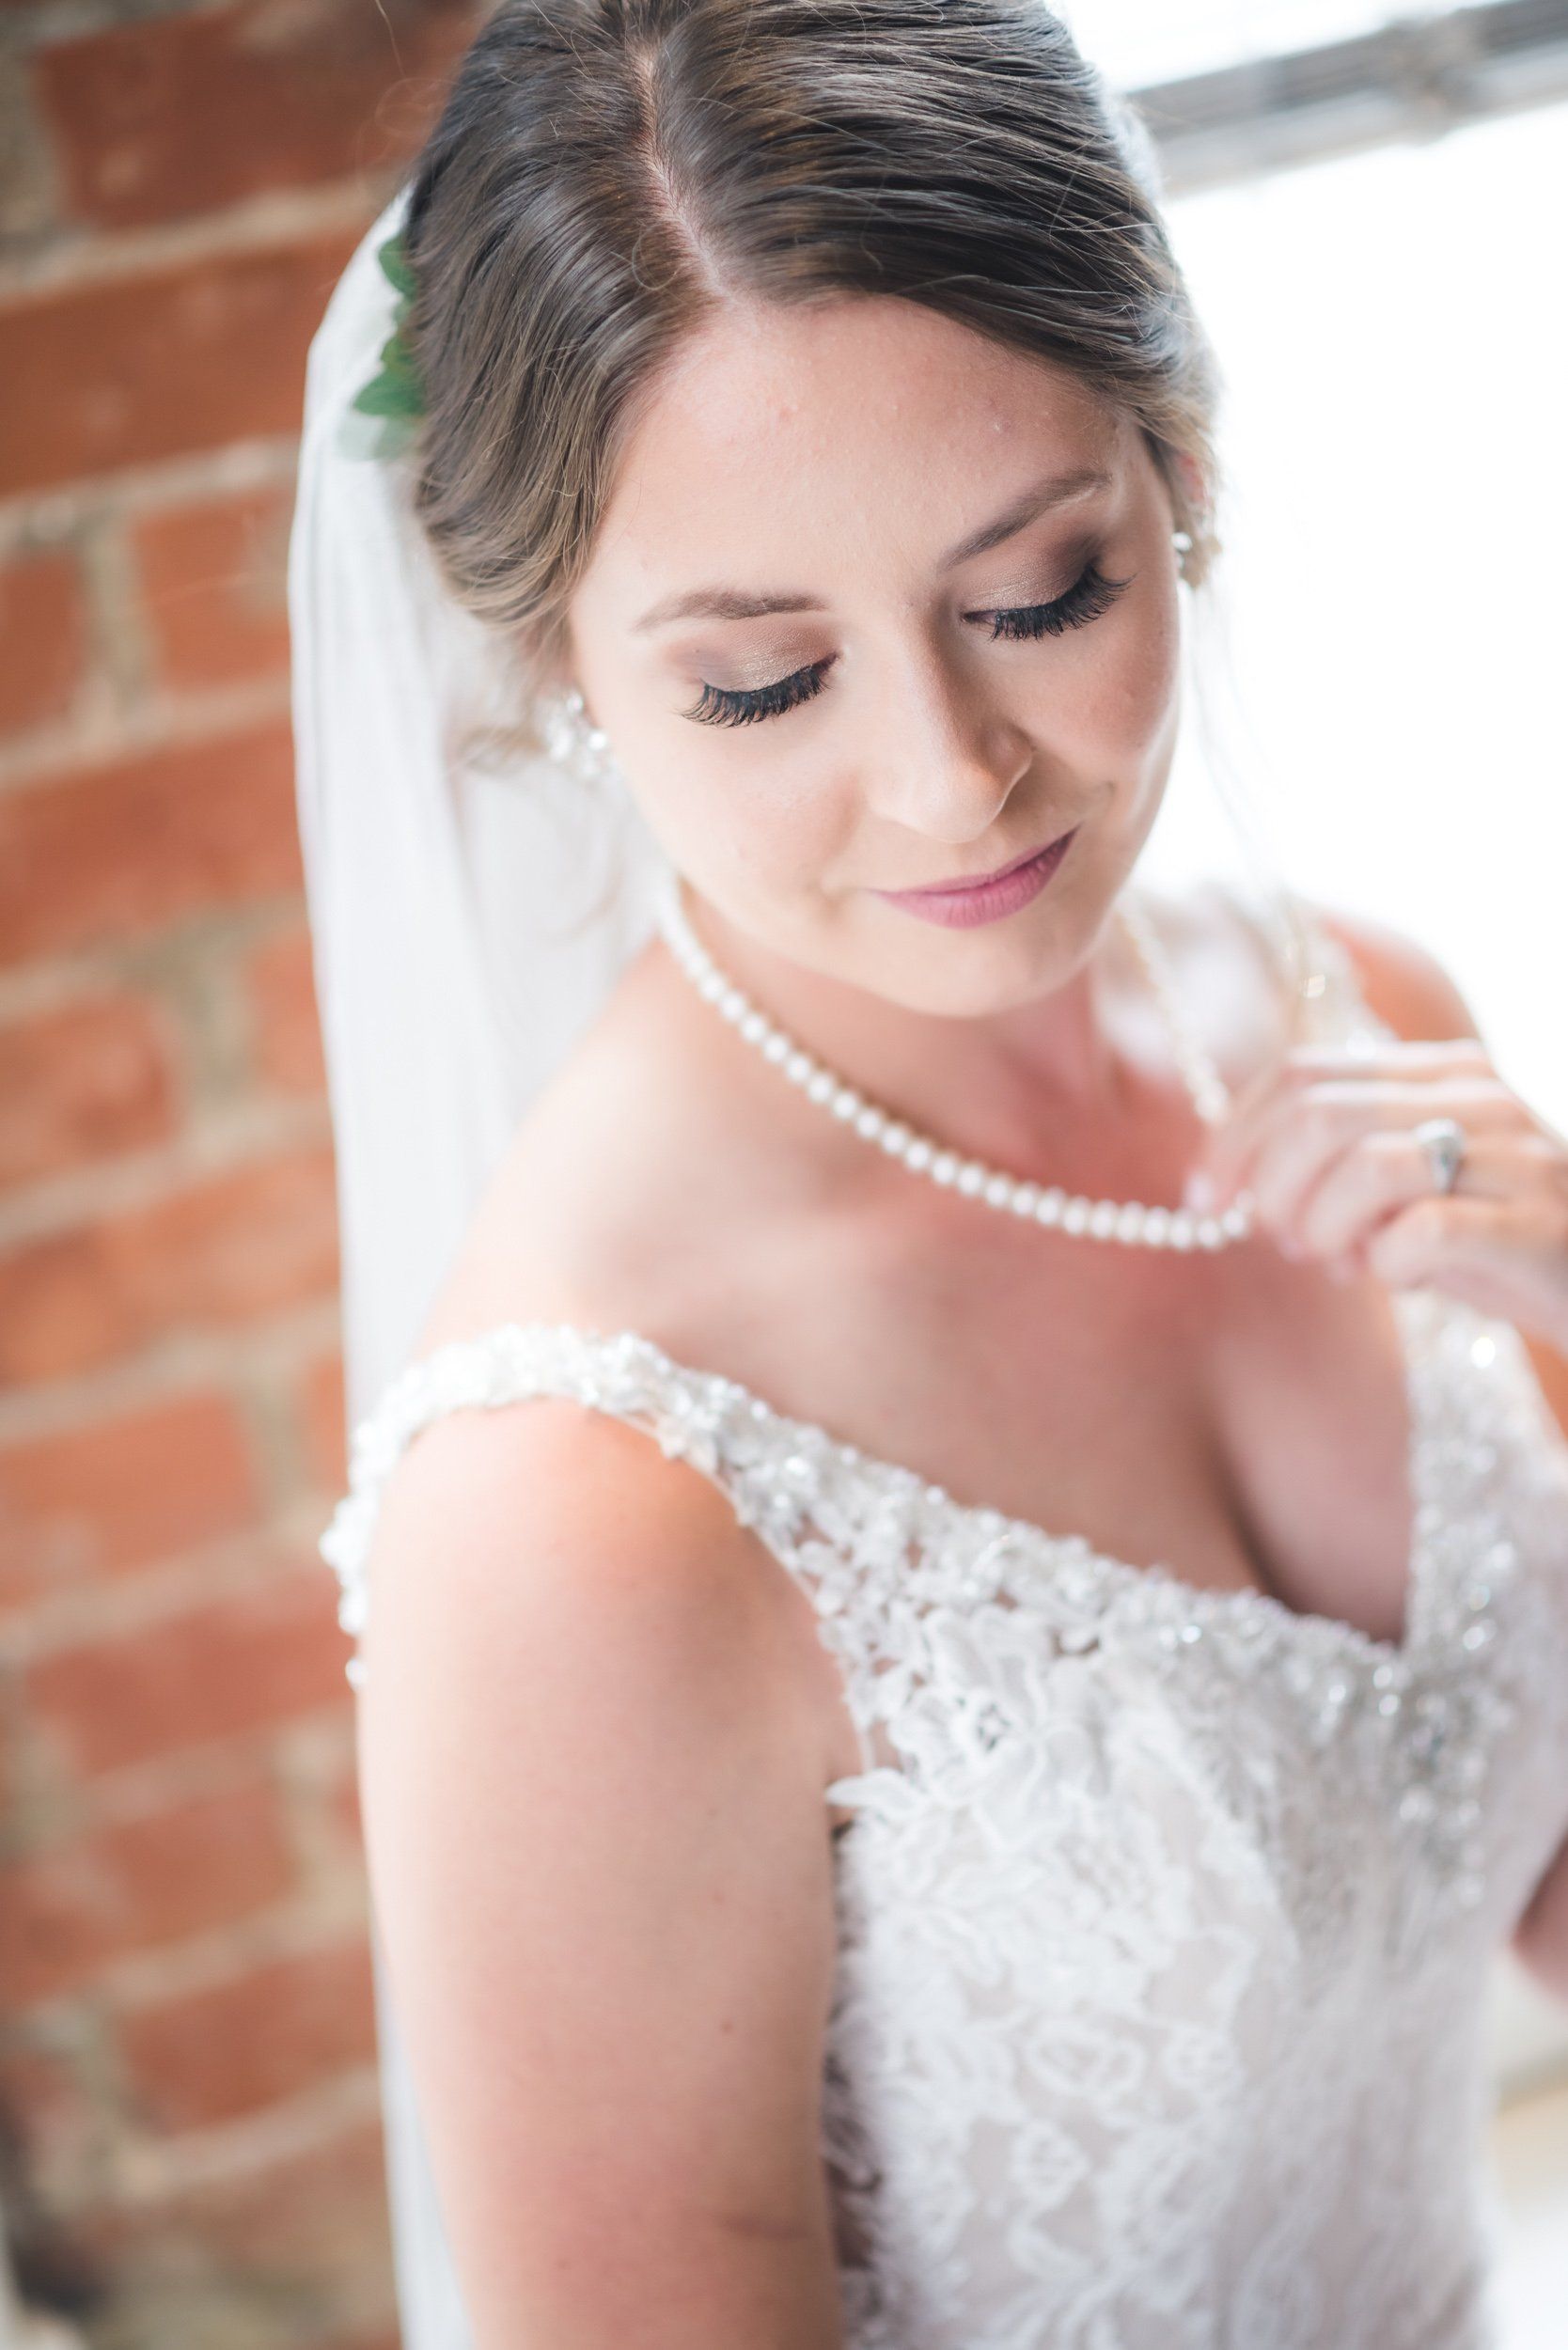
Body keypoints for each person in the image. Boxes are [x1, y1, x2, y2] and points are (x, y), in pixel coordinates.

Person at [289, 3, 1568, 2343]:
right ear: (557, 665)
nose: (951, 778)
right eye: (764, 683)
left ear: (1181, 466)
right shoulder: (582, 1497)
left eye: (1040, 591)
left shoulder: (1367, 1012)